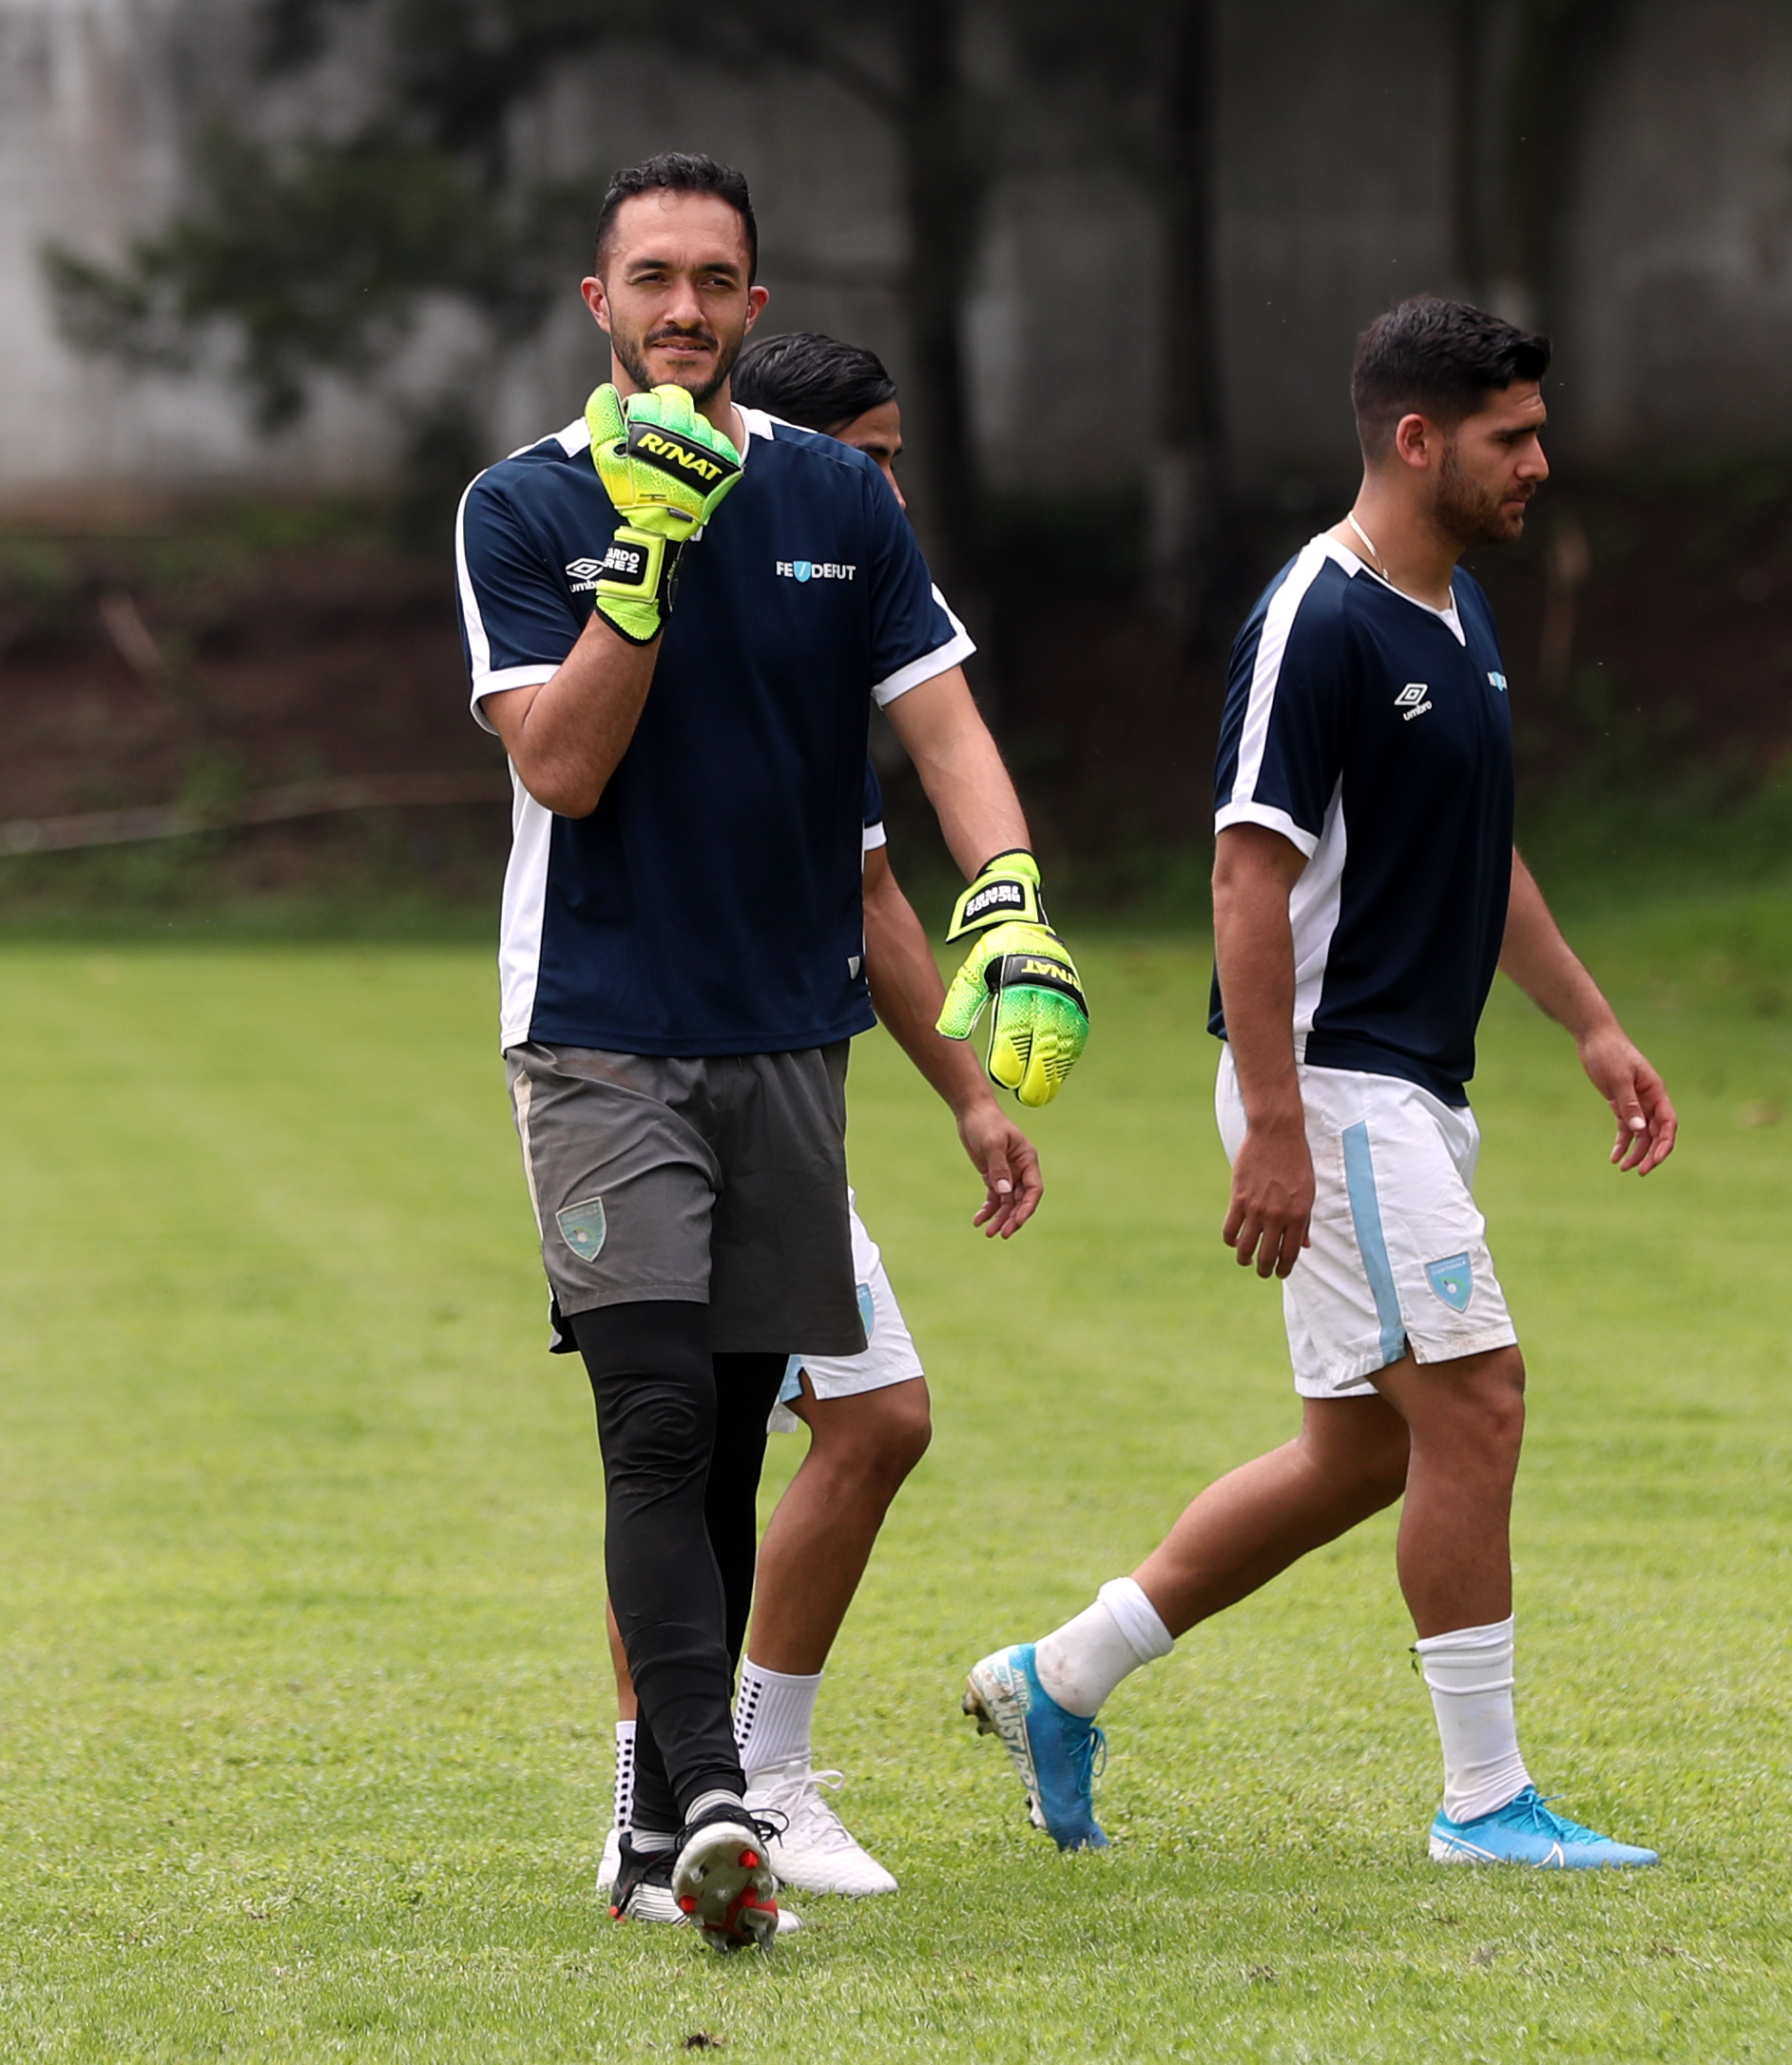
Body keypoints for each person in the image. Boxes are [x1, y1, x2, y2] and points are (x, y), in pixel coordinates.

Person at [962, 295, 1680, 1869]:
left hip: (1404, 1093)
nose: (1540, 464)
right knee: (1477, 1404)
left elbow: (1476, 858)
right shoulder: (1321, 618)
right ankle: (1485, 1805)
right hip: (1339, 1090)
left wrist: (1590, 1023)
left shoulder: (1456, 616)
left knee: (1365, 1450)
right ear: (1416, 439)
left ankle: (1059, 1676)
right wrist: (1276, 1127)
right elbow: (1242, 878)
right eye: (1512, 437)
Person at [459, 153, 1087, 1950]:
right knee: (655, 1418)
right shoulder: (524, 507)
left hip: (787, 1039)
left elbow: (945, 726)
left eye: (712, 279)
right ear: (598, 306)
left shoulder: (842, 501)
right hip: (596, 1034)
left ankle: (667, 1837)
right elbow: (562, 767)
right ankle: (715, 1791)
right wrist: (644, 554)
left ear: (751, 301)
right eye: (646, 277)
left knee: (736, 1434)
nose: (679, 307)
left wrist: (1016, 897)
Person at [589, 331, 1031, 1907]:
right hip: (669, 1065)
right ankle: (717, 1786)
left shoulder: (834, 611)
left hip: (782, 1068)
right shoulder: (750, 578)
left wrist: (972, 1090)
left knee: (780, 1431)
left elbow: (868, 891)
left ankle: (715, 1784)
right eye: (875, 453)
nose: (889, 487)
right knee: (707, 1435)